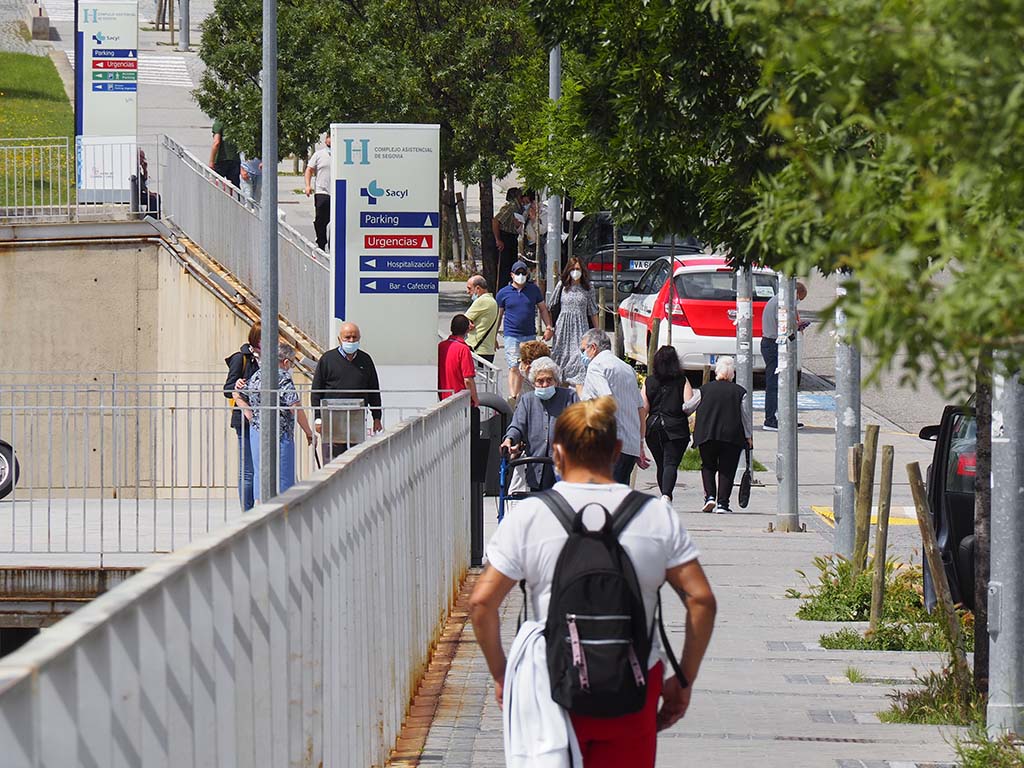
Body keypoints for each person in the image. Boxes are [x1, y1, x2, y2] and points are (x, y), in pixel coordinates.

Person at [470, 397, 717, 768]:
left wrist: (503, 673)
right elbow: (702, 600)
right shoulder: (655, 516)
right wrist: (684, 679)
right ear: (617, 450)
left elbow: (481, 603)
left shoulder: (531, 515)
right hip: (633, 681)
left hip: (550, 682)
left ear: (557, 452)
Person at [237, 343, 314, 501]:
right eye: (292, 363)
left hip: (257, 432)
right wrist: (308, 431)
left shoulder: (257, 375)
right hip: (281, 433)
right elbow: (295, 406)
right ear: (286, 362)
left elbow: (237, 395)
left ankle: (261, 511)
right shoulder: (283, 377)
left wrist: (251, 416)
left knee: (261, 473)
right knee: (284, 475)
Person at [579, 328, 649, 484]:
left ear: (594, 347)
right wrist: (640, 444)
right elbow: (640, 409)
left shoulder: (596, 366)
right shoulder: (627, 368)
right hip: (629, 446)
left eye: (583, 349)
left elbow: (606, 401)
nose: (582, 354)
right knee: (619, 500)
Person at [499, 357, 578, 491]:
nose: (545, 384)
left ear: (556, 381)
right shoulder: (527, 400)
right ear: (533, 383)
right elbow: (517, 425)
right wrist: (509, 440)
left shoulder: (570, 397)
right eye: (540, 381)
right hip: (536, 468)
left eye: (549, 380)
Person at [310, 322, 384, 462]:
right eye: (347, 337)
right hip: (331, 420)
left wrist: (377, 417)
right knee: (332, 461)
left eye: (354, 337)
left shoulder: (366, 360)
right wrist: (318, 419)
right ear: (339, 339)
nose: (351, 341)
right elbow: (316, 392)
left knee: (356, 461)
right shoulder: (327, 360)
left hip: (357, 420)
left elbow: (373, 389)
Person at [692, 356, 753, 514]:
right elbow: (745, 416)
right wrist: (748, 436)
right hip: (731, 437)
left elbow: (688, 407)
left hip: (707, 434)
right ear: (732, 373)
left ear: (716, 371)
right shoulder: (740, 392)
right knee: (727, 469)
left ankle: (710, 497)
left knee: (708, 465)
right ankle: (722, 504)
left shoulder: (704, 390)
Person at [643, 346, 697, 503]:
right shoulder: (682, 381)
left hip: (653, 428)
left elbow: (643, 407)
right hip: (676, 428)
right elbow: (688, 405)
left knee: (661, 463)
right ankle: (666, 495)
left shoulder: (649, 381)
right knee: (670, 463)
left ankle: (665, 495)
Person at [496, 261, 554, 401]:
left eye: (523, 273)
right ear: (512, 275)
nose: (521, 276)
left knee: (528, 366)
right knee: (514, 366)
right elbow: (498, 316)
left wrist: (548, 327)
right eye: (518, 273)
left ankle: (527, 396)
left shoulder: (533, 290)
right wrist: (493, 336)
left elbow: (543, 309)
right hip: (511, 335)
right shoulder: (503, 293)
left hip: (529, 335)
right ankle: (513, 396)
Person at [223, 322, 260, 511]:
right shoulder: (242, 359)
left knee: (263, 467)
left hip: (266, 420)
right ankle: (247, 511)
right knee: (248, 469)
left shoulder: (273, 358)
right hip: (245, 421)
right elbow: (227, 389)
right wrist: (236, 384)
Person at [761, 280, 807, 431]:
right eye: (799, 299)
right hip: (773, 345)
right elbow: (784, 326)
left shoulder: (776, 300)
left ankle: (783, 417)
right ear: (795, 293)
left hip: (772, 342)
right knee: (774, 384)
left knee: (781, 383)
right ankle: (770, 419)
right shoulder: (782, 304)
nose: (798, 302)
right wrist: (796, 327)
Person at [550, 258, 600, 386]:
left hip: (580, 328)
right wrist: (550, 327)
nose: (575, 272)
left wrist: (597, 332)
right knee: (560, 361)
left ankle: (579, 397)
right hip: (563, 328)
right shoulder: (562, 286)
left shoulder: (588, 288)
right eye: (573, 269)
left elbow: (593, 311)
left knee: (579, 360)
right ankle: (561, 394)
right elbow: (551, 305)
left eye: (578, 269)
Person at [438, 314, 479, 406]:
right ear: (467, 330)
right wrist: (475, 399)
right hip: (460, 400)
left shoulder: (441, 346)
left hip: (443, 397)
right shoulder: (463, 349)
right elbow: (468, 379)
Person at [492, 188, 524, 291]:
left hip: (512, 237)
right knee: (504, 268)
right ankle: (501, 291)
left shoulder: (519, 208)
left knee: (511, 266)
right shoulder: (511, 207)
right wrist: (498, 239)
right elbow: (496, 221)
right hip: (505, 237)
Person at [304, 134, 332, 251]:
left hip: (337, 192)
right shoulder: (319, 154)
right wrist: (308, 185)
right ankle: (321, 243)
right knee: (321, 219)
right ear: (326, 139)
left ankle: (333, 244)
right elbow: (309, 169)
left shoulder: (343, 154)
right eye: (328, 137)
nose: (330, 140)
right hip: (322, 191)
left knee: (335, 220)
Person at [465, 275, 499, 362]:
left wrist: (467, 323)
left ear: (478, 288)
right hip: (488, 349)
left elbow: (462, 321)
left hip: (477, 348)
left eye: (469, 288)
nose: (467, 292)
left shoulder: (482, 301)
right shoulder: (492, 301)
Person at [209, 118, 241, 188]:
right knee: (235, 187)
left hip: (221, 160)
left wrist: (211, 161)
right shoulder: (237, 121)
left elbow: (216, 143)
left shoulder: (219, 123)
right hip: (235, 159)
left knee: (215, 185)